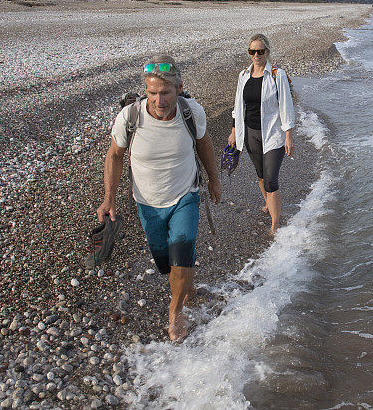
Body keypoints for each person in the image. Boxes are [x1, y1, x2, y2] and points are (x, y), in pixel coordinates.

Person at [96, 55, 222, 341]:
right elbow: (114, 156)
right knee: (165, 263)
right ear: (146, 90)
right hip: (148, 204)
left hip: (184, 197)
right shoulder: (130, 117)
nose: (159, 99)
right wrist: (109, 198)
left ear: (179, 87)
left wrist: (214, 180)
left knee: (180, 256)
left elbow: (204, 144)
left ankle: (175, 311)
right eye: (152, 92)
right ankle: (185, 286)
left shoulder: (192, 112)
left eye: (165, 92)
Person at [228, 34, 294, 234]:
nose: (256, 55)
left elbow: (286, 105)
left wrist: (289, 134)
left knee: (271, 179)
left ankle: (275, 222)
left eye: (260, 51)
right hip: (250, 133)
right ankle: (268, 203)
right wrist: (233, 131)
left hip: (273, 134)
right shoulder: (243, 75)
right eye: (252, 51)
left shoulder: (277, 75)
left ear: (267, 52)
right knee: (260, 174)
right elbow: (238, 105)